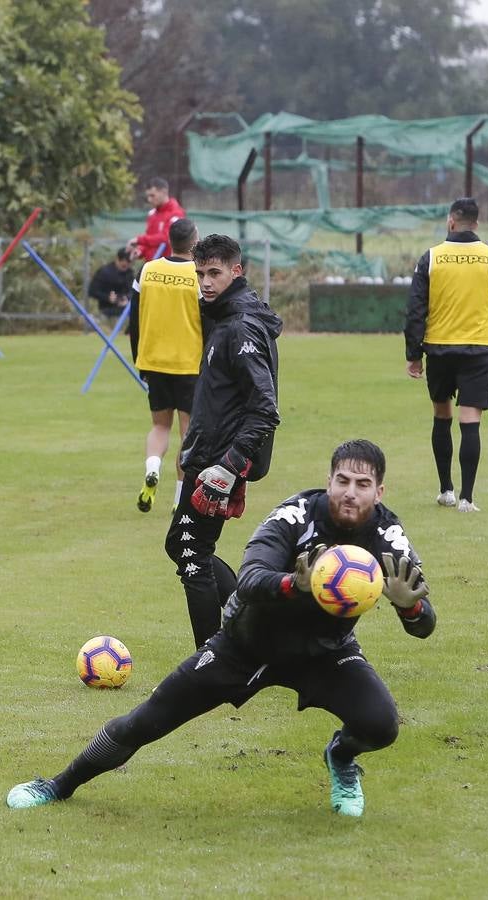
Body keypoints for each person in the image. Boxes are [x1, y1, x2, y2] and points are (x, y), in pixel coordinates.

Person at [6, 439, 436, 819]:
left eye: (362, 485)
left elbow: (424, 625)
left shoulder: (387, 535)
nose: (350, 492)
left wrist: (410, 608)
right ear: (329, 482)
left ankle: (341, 758)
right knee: (142, 723)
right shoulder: (295, 515)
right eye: (342, 480)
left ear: (379, 492)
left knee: (381, 724)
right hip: (245, 645)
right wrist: (294, 583)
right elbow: (250, 579)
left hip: (325, 652)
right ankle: (59, 785)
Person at [166, 233, 282, 648]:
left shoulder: (242, 326)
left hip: (221, 461)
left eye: (214, 273)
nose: (206, 282)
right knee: (181, 546)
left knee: (192, 552)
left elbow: (265, 410)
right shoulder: (221, 315)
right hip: (206, 454)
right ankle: (253, 624)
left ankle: (211, 660)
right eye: (200, 273)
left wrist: (228, 465)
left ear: (237, 271)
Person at [405, 197, 488, 514]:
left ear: (450, 222)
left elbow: (415, 310)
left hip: (439, 349)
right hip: (478, 350)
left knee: (442, 415)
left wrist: (414, 353)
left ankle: (445, 490)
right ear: (477, 225)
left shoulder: (431, 258)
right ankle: (467, 498)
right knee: (471, 421)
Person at [130, 218, 201, 512]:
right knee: (188, 434)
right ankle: (179, 499)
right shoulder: (199, 276)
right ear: (195, 242)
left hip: (154, 361)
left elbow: (134, 319)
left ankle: (153, 467)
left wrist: (140, 358)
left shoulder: (147, 270)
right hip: (188, 363)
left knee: (159, 426)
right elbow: (208, 322)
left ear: (170, 241)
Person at [128, 177, 186, 262]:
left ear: (164, 192)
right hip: (151, 267)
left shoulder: (177, 213)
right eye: (148, 196)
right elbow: (149, 239)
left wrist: (139, 240)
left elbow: (167, 238)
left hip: (168, 267)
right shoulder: (152, 213)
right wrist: (140, 251)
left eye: (152, 195)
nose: (149, 199)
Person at [85, 248, 133, 322]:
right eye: (123, 264)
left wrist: (127, 298)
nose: (125, 265)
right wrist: (108, 298)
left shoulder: (129, 273)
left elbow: (132, 290)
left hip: (126, 308)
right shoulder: (104, 272)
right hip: (106, 309)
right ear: (117, 259)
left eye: (128, 263)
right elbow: (92, 291)